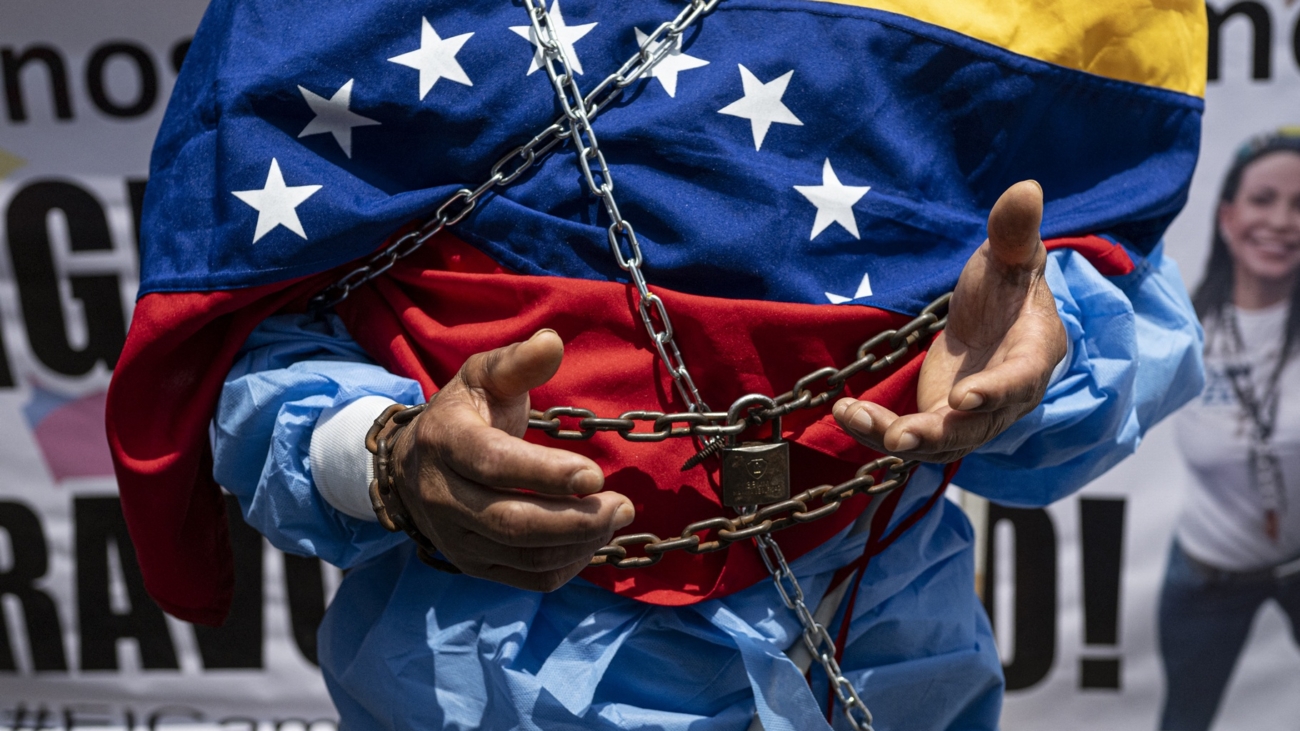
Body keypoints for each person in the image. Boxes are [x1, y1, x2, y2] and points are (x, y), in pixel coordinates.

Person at [107, 0, 1208, 728]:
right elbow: (254, 349)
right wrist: (385, 458)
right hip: (470, 689)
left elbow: (1111, 312)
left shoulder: (959, 16)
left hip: (882, 670)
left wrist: (1042, 352)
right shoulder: (337, 22)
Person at [1160, 129, 1300, 731]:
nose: (1283, 221)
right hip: (1205, 573)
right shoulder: (1179, 326)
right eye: (1264, 199)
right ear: (1227, 215)